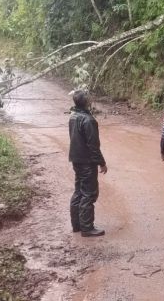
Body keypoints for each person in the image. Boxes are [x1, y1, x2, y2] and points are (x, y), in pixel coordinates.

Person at [69, 90, 108, 237]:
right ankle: (87, 228)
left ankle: (77, 225)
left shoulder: (73, 117)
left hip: (76, 159)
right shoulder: (88, 120)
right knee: (88, 193)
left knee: (79, 190)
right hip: (86, 161)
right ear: (86, 102)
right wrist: (101, 163)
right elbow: (93, 145)